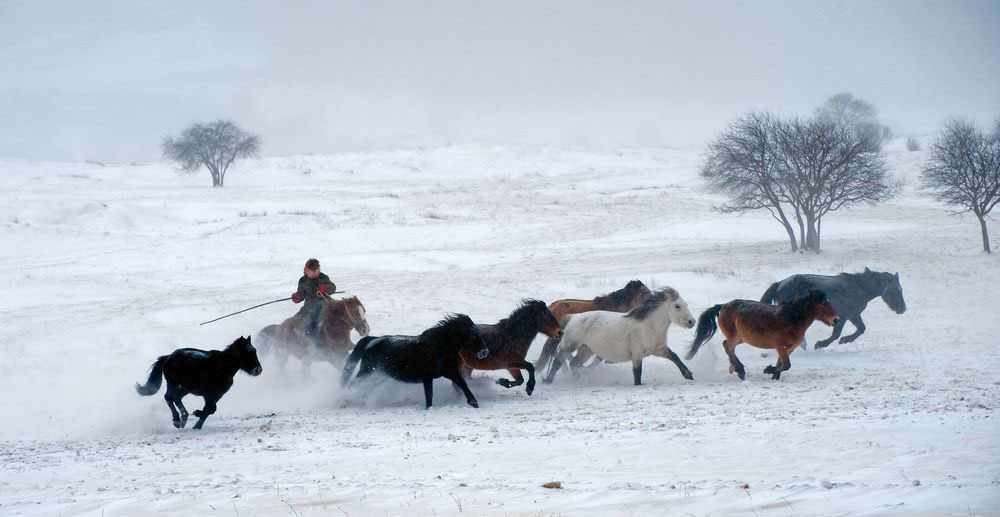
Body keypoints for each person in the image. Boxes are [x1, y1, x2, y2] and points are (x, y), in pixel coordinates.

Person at [289, 258, 337, 344]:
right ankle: (302, 338)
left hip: (325, 305)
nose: (305, 272)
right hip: (309, 306)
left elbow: (333, 288)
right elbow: (301, 292)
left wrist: (325, 288)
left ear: (314, 271)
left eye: (307, 270)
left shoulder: (323, 277)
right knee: (297, 321)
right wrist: (298, 296)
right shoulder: (303, 280)